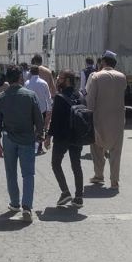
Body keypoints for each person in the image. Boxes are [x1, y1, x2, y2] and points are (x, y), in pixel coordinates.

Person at [0, 65, 44, 222]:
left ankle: (14, 203)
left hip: (8, 138)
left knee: (11, 172)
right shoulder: (30, 95)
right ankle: (27, 206)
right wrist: (40, 134)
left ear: (7, 79)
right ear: (21, 78)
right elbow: (38, 119)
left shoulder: (1, 97)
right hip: (27, 138)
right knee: (28, 174)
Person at [85, 50, 127, 190]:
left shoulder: (96, 76)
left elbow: (91, 100)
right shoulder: (122, 77)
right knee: (116, 151)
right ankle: (114, 181)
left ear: (103, 62)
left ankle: (99, 175)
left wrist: (88, 116)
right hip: (118, 119)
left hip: (99, 119)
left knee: (97, 148)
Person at [45, 70, 84, 207]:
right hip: (77, 136)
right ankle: (79, 197)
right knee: (76, 165)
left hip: (62, 137)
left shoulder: (60, 97)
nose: (57, 80)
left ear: (67, 80)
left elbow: (55, 120)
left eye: (60, 78)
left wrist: (48, 137)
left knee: (56, 164)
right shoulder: (80, 96)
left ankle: (65, 192)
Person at [25, 66, 53, 155]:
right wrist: (49, 109)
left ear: (30, 72)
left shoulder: (27, 83)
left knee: (31, 127)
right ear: (38, 72)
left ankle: (31, 146)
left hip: (30, 109)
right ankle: (39, 148)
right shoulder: (43, 83)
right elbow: (48, 97)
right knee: (40, 128)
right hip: (42, 109)